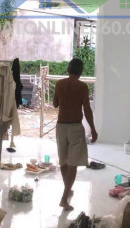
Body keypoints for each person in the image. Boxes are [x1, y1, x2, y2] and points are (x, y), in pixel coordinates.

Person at [53, 58, 98, 211]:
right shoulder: (82, 87)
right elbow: (87, 109)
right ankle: (64, 198)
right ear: (80, 71)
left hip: (61, 127)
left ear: (68, 69)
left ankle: (67, 189)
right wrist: (93, 129)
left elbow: (55, 104)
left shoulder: (59, 84)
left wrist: (64, 98)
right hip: (75, 128)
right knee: (73, 164)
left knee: (64, 161)